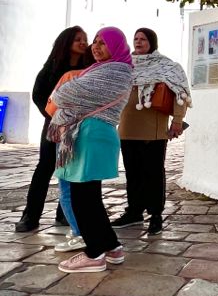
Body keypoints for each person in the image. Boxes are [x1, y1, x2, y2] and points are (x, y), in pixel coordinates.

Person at [49, 27, 133, 273]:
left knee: (83, 199)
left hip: (91, 134)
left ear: (116, 47)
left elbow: (61, 95)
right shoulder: (106, 69)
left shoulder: (114, 71)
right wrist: (68, 91)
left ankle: (94, 254)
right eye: (95, 41)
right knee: (89, 197)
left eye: (103, 43)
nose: (96, 46)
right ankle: (112, 247)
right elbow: (66, 94)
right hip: (91, 134)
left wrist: (66, 89)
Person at [15, 26, 94, 232]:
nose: (83, 42)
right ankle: (30, 216)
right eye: (78, 39)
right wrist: (53, 114)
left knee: (71, 169)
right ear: (66, 42)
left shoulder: (89, 67)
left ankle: (65, 214)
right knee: (45, 168)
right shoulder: (52, 67)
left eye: (85, 39)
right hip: (54, 125)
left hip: (79, 127)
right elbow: (38, 94)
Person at [113, 28, 191, 235]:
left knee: (153, 173)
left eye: (143, 39)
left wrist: (177, 120)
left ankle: (156, 215)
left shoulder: (167, 66)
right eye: (136, 39)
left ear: (152, 42)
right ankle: (134, 212)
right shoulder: (125, 65)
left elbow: (180, 93)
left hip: (152, 130)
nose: (138, 42)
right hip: (127, 128)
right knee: (133, 173)